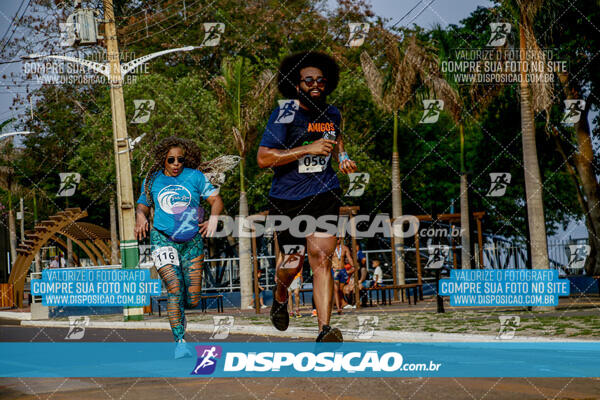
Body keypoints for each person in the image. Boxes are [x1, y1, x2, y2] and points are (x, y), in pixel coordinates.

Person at [257, 51, 357, 342]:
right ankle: (280, 294)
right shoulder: (286, 111)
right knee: (293, 262)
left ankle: (324, 329)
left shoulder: (333, 113)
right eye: (308, 80)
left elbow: (337, 138)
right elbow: (264, 159)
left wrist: (344, 158)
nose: (316, 85)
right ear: (296, 84)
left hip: (324, 192)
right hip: (288, 198)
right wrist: (306, 149)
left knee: (322, 257)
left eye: (321, 80)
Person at [135, 137, 224, 359]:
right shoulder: (152, 179)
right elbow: (142, 206)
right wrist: (139, 217)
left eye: (180, 160)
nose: (176, 164)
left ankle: (181, 309)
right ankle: (180, 342)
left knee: (192, 299)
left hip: (192, 241)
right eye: (171, 160)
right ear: (163, 160)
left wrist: (213, 218)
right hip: (163, 237)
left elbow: (216, 200)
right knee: (174, 287)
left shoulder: (194, 177)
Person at [332, 237, 354, 313]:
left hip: (342, 270)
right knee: (336, 289)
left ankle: (340, 304)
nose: (337, 240)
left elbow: (349, 258)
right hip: (335, 270)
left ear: (341, 239)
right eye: (336, 238)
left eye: (339, 238)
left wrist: (353, 266)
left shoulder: (344, 248)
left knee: (341, 290)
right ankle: (338, 308)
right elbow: (327, 259)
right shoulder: (331, 248)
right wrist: (331, 267)